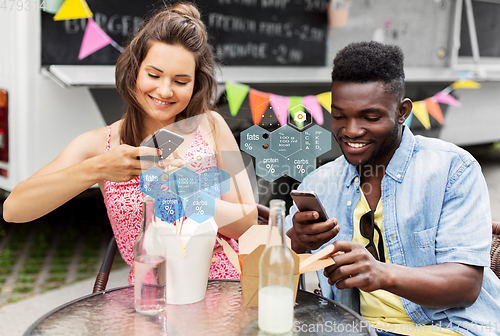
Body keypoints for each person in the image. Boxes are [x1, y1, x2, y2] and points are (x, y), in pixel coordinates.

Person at [3, 2, 257, 283]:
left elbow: (247, 221)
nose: (164, 90)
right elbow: (13, 209)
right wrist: (98, 168)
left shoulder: (211, 125)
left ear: (196, 85)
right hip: (148, 301)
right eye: (154, 75)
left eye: (181, 81)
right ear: (134, 69)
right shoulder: (100, 145)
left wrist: (190, 194)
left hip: (222, 287)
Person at [285, 41, 500, 336]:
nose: (351, 131)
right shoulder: (319, 184)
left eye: (370, 118)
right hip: (353, 329)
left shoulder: (452, 169)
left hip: (449, 329)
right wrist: (296, 240)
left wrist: (382, 273)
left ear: (402, 112)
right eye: (339, 116)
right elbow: (270, 263)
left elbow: (465, 285)